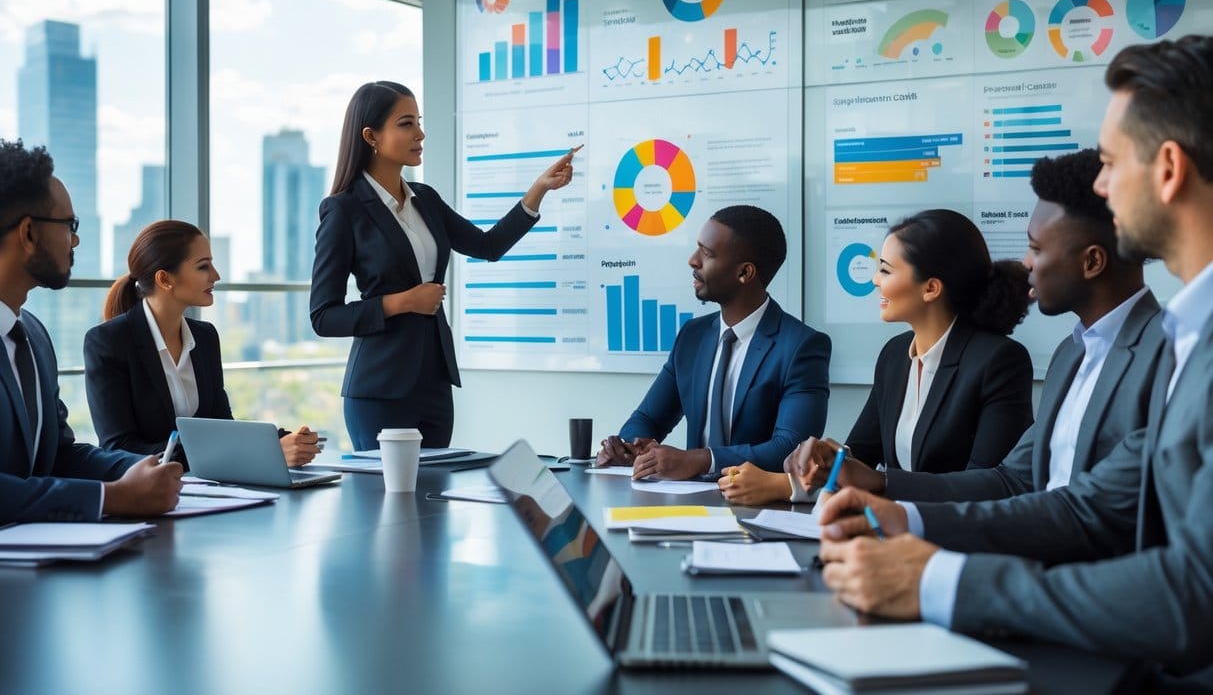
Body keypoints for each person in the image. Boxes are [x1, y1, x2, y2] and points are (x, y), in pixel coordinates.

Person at [817, 35, 1213, 682]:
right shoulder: (1176, 341)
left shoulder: (1177, 347)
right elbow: (1079, 503)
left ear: (1167, 169)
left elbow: (1193, 589)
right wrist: (903, 513)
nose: (1102, 185)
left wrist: (942, 581)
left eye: (1111, 163)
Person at [769, 149, 1164, 505]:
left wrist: (888, 494)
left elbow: (1063, 506)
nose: (1025, 263)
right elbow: (1014, 481)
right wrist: (843, 469)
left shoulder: (1166, 354)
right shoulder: (1072, 352)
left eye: (1037, 249)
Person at [311, 81, 577, 451]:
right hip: (380, 390)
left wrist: (539, 190)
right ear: (371, 135)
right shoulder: (344, 209)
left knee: (431, 502)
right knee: (386, 504)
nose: (420, 133)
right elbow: (324, 317)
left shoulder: (427, 200)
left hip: (434, 385)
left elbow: (488, 246)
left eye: (418, 121)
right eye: (406, 124)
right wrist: (402, 302)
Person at [719, 209, 1033, 504]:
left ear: (931, 288)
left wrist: (881, 481)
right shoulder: (895, 355)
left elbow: (988, 488)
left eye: (885, 269)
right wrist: (823, 458)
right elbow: (861, 457)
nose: (875, 280)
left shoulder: (1000, 362)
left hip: (957, 545)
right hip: (892, 532)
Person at [0, 139, 181, 523]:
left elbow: (59, 455)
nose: (76, 239)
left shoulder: (32, 335)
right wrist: (112, 497)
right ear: (28, 233)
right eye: (69, 225)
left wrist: (139, 469)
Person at [595, 205, 831, 480]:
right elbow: (648, 418)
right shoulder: (692, 336)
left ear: (745, 273)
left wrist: (699, 460)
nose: (693, 261)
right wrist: (629, 447)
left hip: (758, 506)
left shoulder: (801, 347)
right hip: (687, 503)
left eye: (706, 254)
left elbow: (790, 449)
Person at [84, 220, 320, 467]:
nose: (215, 276)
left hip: (209, 486)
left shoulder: (205, 336)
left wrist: (281, 440)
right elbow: (119, 447)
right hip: (150, 494)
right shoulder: (108, 342)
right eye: (203, 266)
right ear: (164, 279)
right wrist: (262, 452)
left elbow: (221, 427)